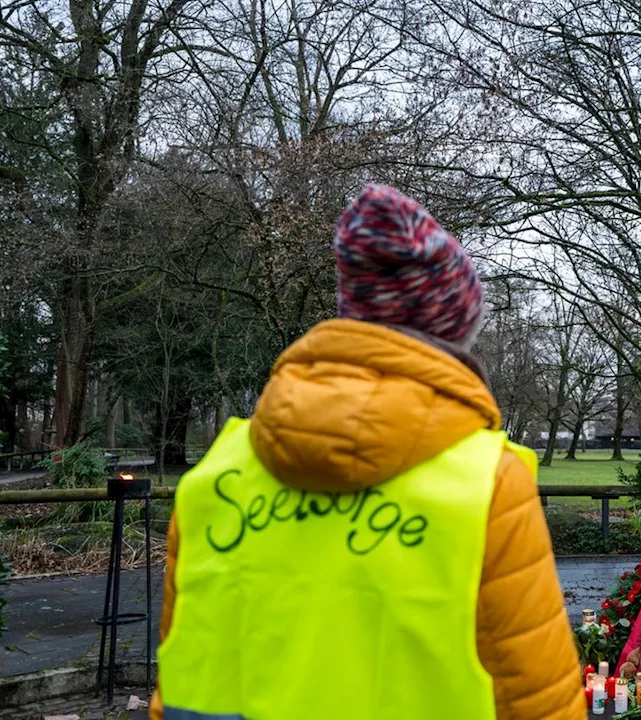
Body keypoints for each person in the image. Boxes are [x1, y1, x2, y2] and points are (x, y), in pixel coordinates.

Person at [151, 185, 583, 720]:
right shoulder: (487, 483)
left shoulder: (217, 474)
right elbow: (536, 698)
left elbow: (175, 675)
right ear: (450, 336)